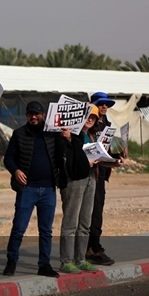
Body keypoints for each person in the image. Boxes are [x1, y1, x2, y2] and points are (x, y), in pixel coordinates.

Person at [2, 101, 67, 278]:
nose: (34, 117)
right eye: (30, 113)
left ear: (43, 115)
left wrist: (65, 136)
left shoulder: (52, 134)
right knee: (19, 228)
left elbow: (63, 154)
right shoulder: (19, 134)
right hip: (27, 189)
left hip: (48, 189)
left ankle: (44, 264)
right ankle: (11, 261)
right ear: (26, 115)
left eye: (37, 114)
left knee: (46, 230)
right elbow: (8, 158)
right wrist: (15, 171)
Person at [58, 106, 100, 274]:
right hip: (74, 180)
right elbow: (70, 158)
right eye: (88, 115)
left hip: (91, 178)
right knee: (71, 222)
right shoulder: (70, 134)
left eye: (94, 117)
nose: (90, 119)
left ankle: (80, 259)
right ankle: (66, 261)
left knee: (85, 222)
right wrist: (68, 138)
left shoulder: (91, 135)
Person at [85, 91, 121, 266]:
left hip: (101, 174)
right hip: (88, 174)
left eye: (106, 104)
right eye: (101, 104)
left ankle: (91, 247)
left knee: (97, 212)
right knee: (89, 214)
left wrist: (117, 155)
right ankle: (92, 249)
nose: (104, 107)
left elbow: (106, 151)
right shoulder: (88, 125)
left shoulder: (107, 125)